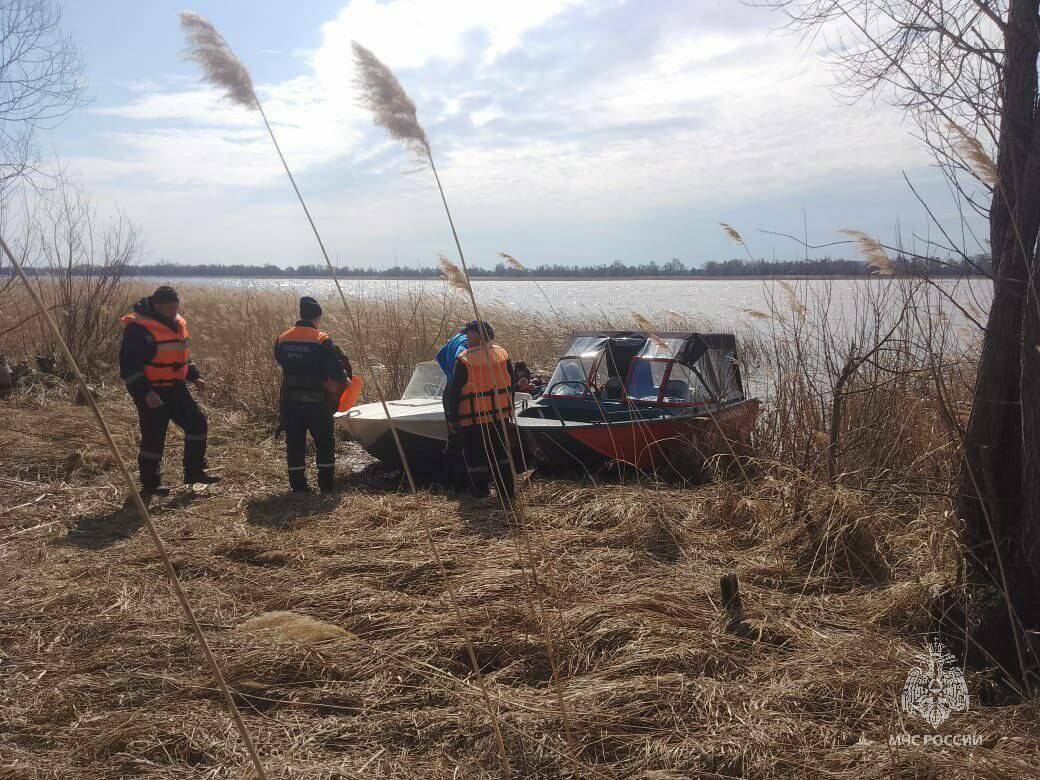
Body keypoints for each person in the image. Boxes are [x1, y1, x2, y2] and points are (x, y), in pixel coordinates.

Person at [119, 286, 219, 497]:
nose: (174, 310)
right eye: (169, 307)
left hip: (175, 386)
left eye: (176, 306)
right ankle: (150, 483)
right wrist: (146, 392)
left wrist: (194, 375)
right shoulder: (138, 329)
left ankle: (194, 471)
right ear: (157, 306)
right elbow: (129, 367)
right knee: (154, 436)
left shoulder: (177, 323)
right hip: (151, 389)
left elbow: (180, 354)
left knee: (197, 423)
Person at [274, 296, 350, 494]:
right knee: (324, 443)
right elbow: (337, 372)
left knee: (295, 443)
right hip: (317, 403)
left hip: (290, 402)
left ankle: (298, 486)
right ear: (318, 316)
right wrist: (344, 382)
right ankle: (326, 486)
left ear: (301, 314)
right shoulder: (322, 340)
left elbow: (281, 361)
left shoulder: (283, 338)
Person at [444, 320, 516, 502]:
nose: (466, 338)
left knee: (475, 457)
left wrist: (452, 418)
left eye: (469, 334)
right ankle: (507, 493)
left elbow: (455, 391)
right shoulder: (503, 354)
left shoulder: (464, 359)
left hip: (473, 419)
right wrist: (510, 407)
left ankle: (481, 494)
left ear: (479, 335)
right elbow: (511, 384)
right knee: (501, 455)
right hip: (499, 416)